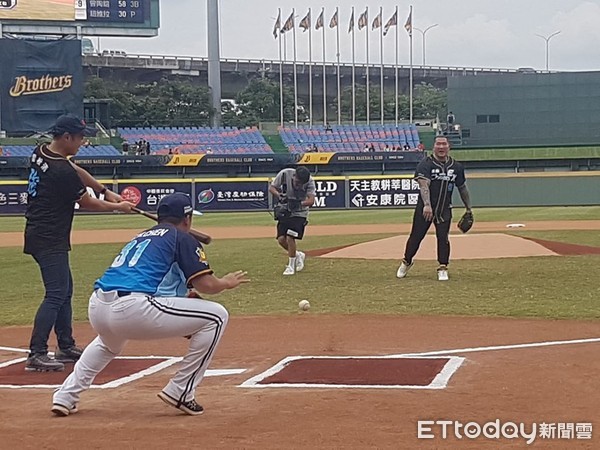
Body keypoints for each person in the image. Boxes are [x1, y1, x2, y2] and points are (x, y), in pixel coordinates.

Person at [51, 193, 249, 417]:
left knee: (107, 345)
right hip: (132, 308)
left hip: (98, 306)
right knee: (217, 316)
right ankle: (181, 390)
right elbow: (206, 285)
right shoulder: (181, 238)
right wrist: (226, 282)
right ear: (187, 218)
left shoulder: (143, 236)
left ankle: (65, 396)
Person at [24, 114, 134, 373]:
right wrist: (117, 207)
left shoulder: (41, 151)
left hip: (45, 233)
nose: (82, 142)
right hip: (48, 236)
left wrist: (104, 189)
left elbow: (75, 169)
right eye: (80, 138)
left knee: (65, 290)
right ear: (66, 137)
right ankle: (37, 352)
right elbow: (87, 203)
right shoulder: (60, 171)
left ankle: (65, 345)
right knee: (56, 293)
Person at [396, 135, 472, 281]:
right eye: (438, 144)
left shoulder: (456, 167)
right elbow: (424, 185)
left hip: (444, 208)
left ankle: (443, 267)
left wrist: (468, 208)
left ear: (449, 147)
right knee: (416, 237)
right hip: (425, 209)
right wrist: (427, 205)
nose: (441, 147)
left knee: (443, 238)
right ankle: (406, 261)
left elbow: (462, 188)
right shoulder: (426, 164)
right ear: (434, 146)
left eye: (444, 144)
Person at [268, 166, 316, 276]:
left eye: (301, 184)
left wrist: (299, 204)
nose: (299, 185)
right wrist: (279, 196)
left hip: (300, 213)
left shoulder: (310, 182)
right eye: (297, 182)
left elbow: (311, 200)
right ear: (294, 176)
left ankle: (291, 266)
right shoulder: (285, 174)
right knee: (281, 239)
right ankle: (298, 254)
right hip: (285, 209)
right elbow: (272, 188)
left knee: (290, 236)